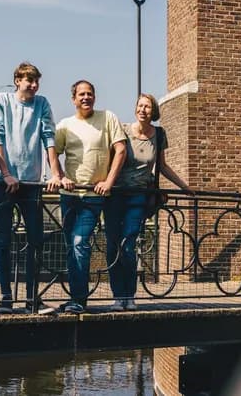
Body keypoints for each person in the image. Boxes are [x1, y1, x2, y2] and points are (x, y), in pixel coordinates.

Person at [0, 62, 64, 315]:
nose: (33, 85)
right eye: (28, 80)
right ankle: (5, 298)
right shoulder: (0, 100)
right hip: (4, 182)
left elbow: (48, 138)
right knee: (3, 239)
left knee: (35, 239)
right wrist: (6, 173)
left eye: (36, 80)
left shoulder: (41, 104)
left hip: (31, 183)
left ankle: (32, 298)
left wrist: (55, 173)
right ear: (17, 80)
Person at [105, 93, 192, 311]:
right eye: (140, 106)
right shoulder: (123, 130)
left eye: (147, 107)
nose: (143, 110)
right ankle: (117, 296)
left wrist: (184, 187)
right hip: (116, 194)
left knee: (128, 243)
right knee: (112, 244)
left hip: (139, 195)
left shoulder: (159, 134)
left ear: (153, 112)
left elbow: (162, 166)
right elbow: (110, 159)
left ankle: (129, 295)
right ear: (135, 108)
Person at [50, 80, 127, 314]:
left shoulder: (107, 118)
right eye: (81, 94)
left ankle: (79, 300)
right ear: (73, 99)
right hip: (70, 194)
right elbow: (52, 149)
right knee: (71, 246)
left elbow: (121, 149)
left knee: (79, 243)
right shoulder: (65, 125)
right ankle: (76, 297)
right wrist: (59, 175)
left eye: (90, 93)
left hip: (94, 195)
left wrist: (109, 182)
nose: (86, 97)